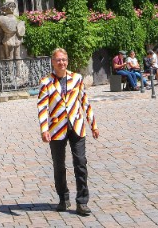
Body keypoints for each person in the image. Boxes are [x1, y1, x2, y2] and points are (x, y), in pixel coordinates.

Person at [37, 48, 99, 217]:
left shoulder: (77, 79)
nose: (61, 62)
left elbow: (84, 101)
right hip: (56, 129)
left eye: (64, 59)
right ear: (53, 62)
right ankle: (63, 198)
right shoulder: (46, 82)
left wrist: (93, 124)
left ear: (67, 61)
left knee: (80, 163)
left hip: (76, 126)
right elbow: (42, 107)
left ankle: (82, 202)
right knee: (59, 166)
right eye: (58, 60)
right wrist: (44, 129)